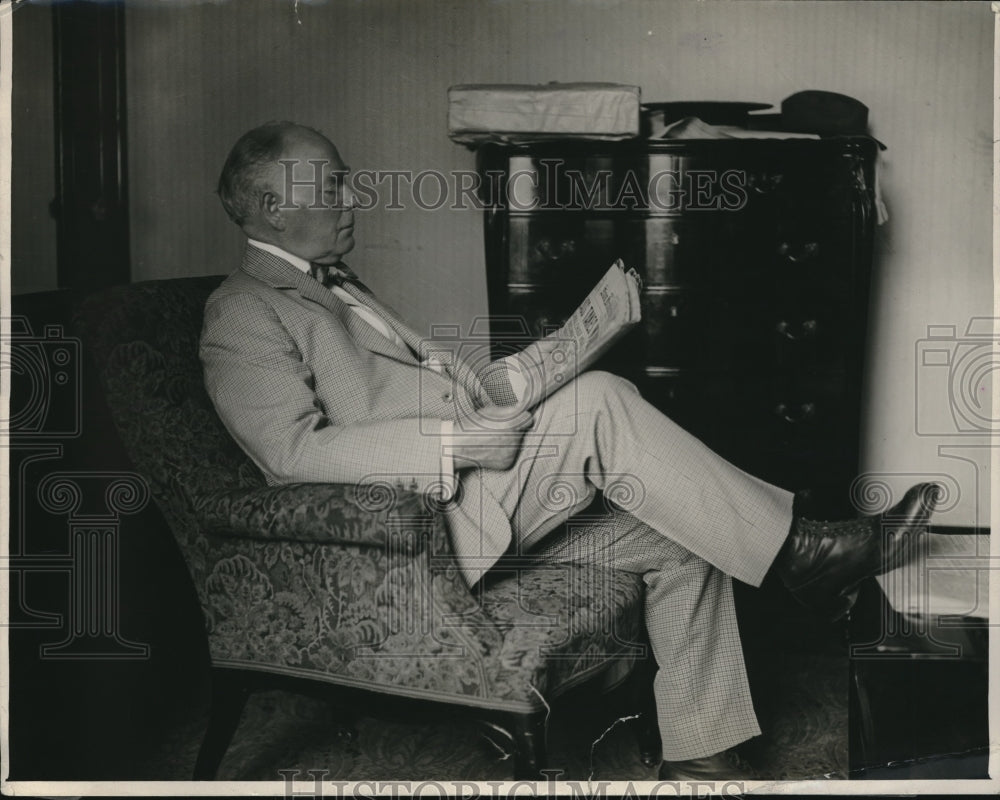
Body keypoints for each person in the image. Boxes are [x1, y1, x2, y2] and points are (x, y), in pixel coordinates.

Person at [199, 121, 938, 780]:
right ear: (272, 207)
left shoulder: (340, 287)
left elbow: (451, 395)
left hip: (483, 494)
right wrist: (454, 443)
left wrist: (559, 351)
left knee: (681, 529)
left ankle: (703, 752)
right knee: (603, 401)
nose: (352, 194)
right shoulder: (244, 310)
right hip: (411, 534)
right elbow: (291, 453)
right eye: (332, 184)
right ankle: (802, 555)